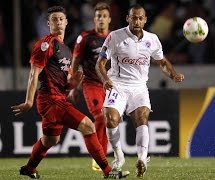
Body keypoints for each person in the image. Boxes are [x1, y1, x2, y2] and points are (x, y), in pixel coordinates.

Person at [11, 6, 128, 179]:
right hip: (51, 100)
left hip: (57, 97)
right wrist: (29, 101)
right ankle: (107, 171)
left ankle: (29, 168)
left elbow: (61, 82)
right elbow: (34, 73)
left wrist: (71, 84)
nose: (58, 22)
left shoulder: (64, 48)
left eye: (61, 19)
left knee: (50, 140)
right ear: (48, 23)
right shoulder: (45, 44)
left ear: (66, 22)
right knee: (88, 126)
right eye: (54, 19)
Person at [96, 4, 185, 178]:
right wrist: (105, 80)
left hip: (139, 87)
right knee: (111, 119)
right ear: (128, 18)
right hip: (118, 85)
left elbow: (162, 62)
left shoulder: (152, 39)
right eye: (133, 17)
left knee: (142, 117)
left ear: (145, 20)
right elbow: (99, 64)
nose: (136, 21)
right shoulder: (115, 36)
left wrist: (173, 75)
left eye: (140, 18)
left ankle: (142, 159)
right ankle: (118, 156)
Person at [69, 2, 112, 172]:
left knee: (109, 120)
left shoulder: (115, 38)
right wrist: (72, 86)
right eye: (98, 16)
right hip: (91, 84)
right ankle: (100, 158)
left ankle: (103, 155)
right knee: (101, 117)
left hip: (110, 85)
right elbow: (75, 62)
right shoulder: (86, 38)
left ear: (109, 19)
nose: (101, 19)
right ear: (94, 19)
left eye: (104, 16)